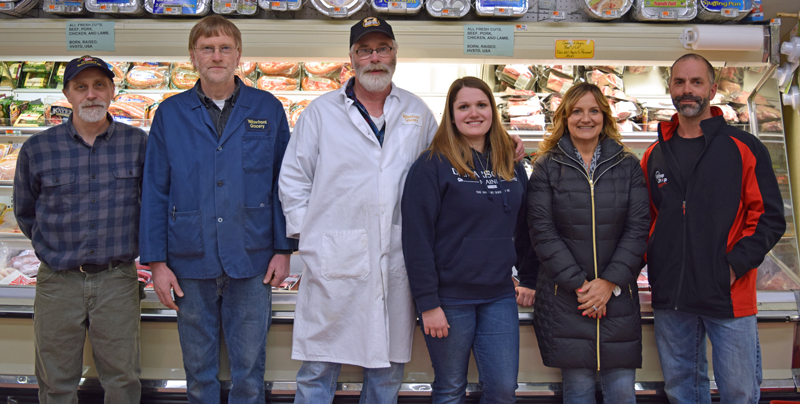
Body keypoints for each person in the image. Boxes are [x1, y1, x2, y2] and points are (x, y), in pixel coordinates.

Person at [279, 16, 525, 404]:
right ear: (352, 57)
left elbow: (450, 157)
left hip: (396, 260)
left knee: (387, 370)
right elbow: (294, 180)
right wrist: (310, 238)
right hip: (332, 261)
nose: (374, 58)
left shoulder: (416, 111)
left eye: (383, 49)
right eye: (365, 50)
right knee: (318, 367)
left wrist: (499, 147)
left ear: (395, 54)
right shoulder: (321, 113)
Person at [139, 15, 296, 404]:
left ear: (239, 55)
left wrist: (283, 249)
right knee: (199, 373)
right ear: (193, 57)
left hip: (253, 257)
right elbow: (155, 190)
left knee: (248, 372)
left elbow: (284, 183)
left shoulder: (268, 107)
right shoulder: (170, 113)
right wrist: (157, 263)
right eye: (207, 48)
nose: (216, 55)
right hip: (189, 261)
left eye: (225, 47)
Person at [641, 53, 785, 404]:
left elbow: (768, 217)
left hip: (728, 294)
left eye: (696, 82)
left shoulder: (744, 148)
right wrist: (649, 266)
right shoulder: (654, 154)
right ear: (670, 89)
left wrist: (733, 267)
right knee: (682, 390)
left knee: (739, 391)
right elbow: (645, 220)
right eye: (679, 82)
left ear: (713, 89)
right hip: (672, 295)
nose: (687, 90)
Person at [13, 55, 146, 404]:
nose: (91, 94)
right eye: (81, 87)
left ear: (113, 91)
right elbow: (26, 212)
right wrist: (56, 249)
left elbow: (153, 206)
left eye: (99, 85)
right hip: (58, 281)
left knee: (124, 380)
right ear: (67, 94)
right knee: (56, 382)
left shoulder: (139, 145)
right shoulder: (37, 149)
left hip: (117, 280)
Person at [400, 76, 537, 404]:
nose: (473, 113)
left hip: (499, 297)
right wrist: (428, 303)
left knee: (504, 390)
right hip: (450, 300)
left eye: (481, 105)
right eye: (463, 106)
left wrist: (529, 277)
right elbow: (416, 237)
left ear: (492, 110)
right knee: (450, 389)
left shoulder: (510, 163)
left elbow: (525, 225)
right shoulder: (432, 165)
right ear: (451, 114)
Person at [526, 82, 650, 404]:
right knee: (578, 392)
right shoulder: (546, 166)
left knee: (622, 393)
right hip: (568, 300)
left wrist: (608, 282)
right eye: (576, 111)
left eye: (593, 110)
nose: (586, 118)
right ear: (564, 118)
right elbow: (541, 231)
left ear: (604, 116)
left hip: (618, 298)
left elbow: (638, 228)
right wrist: (583, 288)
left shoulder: (627, 164)